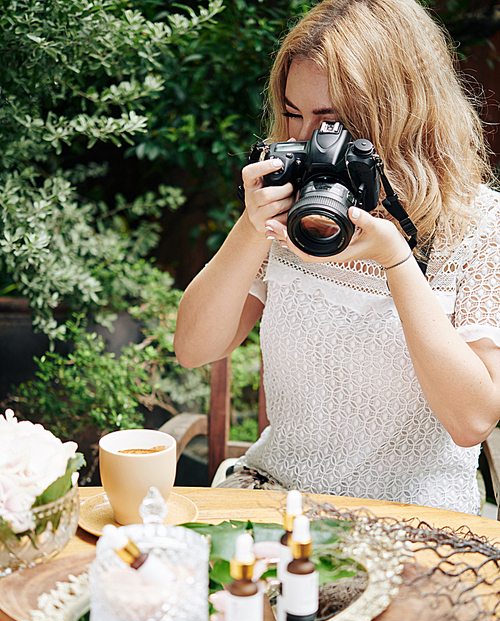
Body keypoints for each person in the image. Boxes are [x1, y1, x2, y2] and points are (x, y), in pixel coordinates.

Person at [174, 0, 500, 514]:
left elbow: (472, 421)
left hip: (413, 514)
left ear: (399, 113)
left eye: (330, 123)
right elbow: (193, 347)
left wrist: (396, 259)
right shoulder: (288, 204)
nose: (306, 142)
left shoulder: (473, 223)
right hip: (282, 496)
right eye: (292, 115)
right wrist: (251, 225)